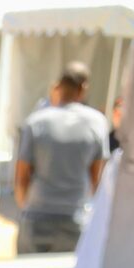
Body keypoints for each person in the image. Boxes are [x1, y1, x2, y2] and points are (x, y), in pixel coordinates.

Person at [16, 62, 109, 255]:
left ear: (59, 85)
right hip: (74, 216)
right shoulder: (97, 122)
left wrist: (26, 206)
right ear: (83, 87)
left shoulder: (36, 121)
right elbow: (96, 177)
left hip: (37, 214)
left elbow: (22, 175)